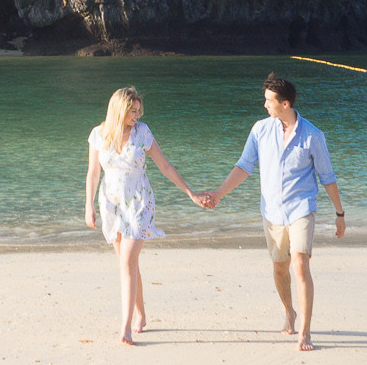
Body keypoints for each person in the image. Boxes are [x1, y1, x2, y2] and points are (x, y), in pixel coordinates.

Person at [195, 74, 346, 352]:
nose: (264, 105)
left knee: (300, 265)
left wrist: (339, 213)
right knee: (279, 268)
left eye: (269, 101)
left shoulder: (313, 135)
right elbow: (244, 166)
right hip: (272, 211)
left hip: (302, 209)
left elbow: (328, 177)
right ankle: (290, 311)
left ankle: (305, 333)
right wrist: (218, 193)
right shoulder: (260, 130)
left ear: (284, 103)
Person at [84, 85, 201, 345]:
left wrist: (190, 193)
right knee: (129, 264)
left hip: (139, 202)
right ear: (120, 109)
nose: (137, 115)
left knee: (127, 262)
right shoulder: (98, 134)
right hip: (111, 203)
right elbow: (93, 173)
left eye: (138, 111)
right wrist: (88, 205)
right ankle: (141, 314)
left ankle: (125, 327)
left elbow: (165, 165)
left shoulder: (143, 132)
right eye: (132, 111)